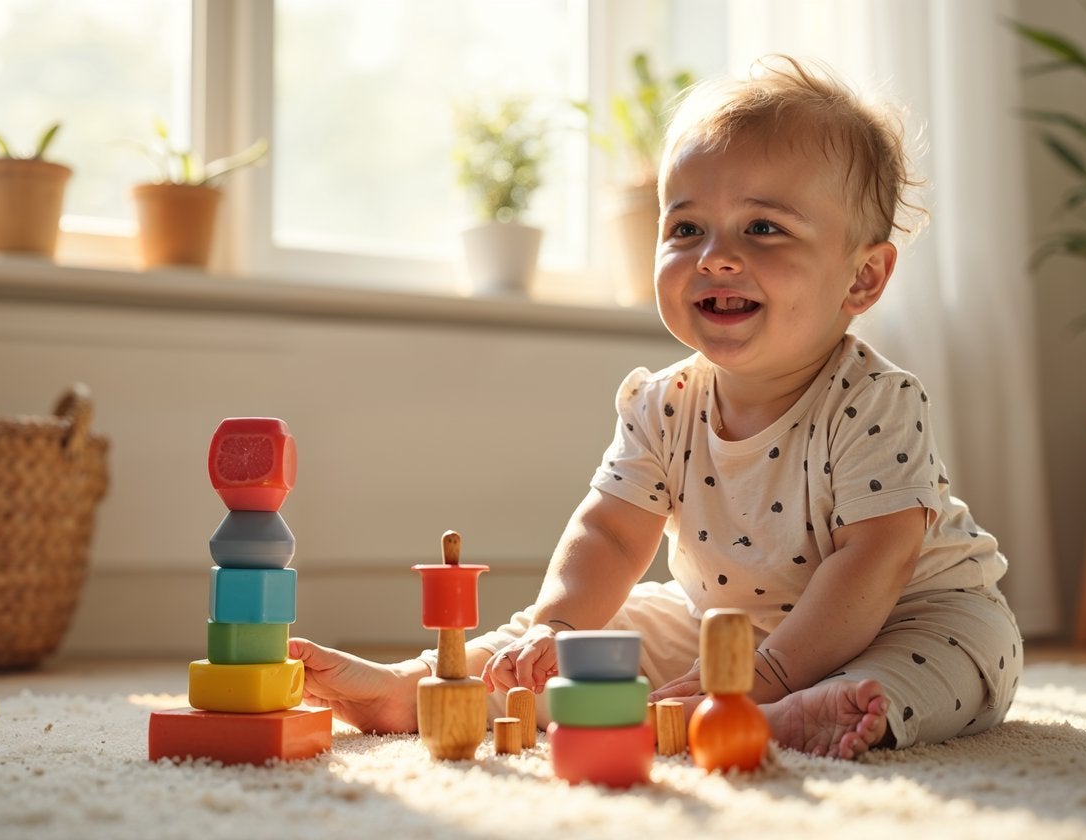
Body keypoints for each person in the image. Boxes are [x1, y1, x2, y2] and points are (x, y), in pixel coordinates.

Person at [290, 55, 1022, 760]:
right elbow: (609, 537)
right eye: (685, 228)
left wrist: (768, 672)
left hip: (908, 611)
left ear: (863, 278)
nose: (715, 257)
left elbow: (877, 561)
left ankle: (803, 715)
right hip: (717, 622)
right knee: (593, 640)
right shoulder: (659, 403)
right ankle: (422, 689)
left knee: (953, 658)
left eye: (763, 228)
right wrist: (558, 628)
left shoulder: (876, 400)